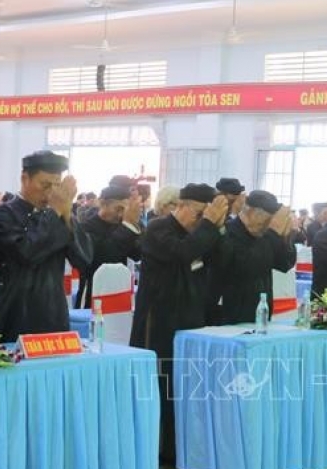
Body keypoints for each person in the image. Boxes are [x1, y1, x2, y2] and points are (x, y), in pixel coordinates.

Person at [131, 183, 227, 465]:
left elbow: (221, 261)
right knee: (160, 387)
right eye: (197, 214)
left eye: (204, 216)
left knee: (186, 387)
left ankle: (180, 448)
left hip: (191, 320)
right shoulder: (159, 229)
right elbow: (184, 254)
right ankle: (155, 450)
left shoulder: (201, 234)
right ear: (180, 206)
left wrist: (219, 228)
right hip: (158, 321)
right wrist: (208, 224)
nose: (200, 222)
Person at [0, 151, 93, 342]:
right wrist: (55, 211)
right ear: (24, 178)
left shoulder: (59, 214)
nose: (51, 192)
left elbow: (84, 259)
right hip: (13, 312)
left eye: (56, 185)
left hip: (53, 312)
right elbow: (27, 252)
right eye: (45, 185)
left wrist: (68, 216)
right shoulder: (3, 215)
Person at [210, 190, 297, 325]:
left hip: (261, 312)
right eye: (265, 221)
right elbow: (245, 266)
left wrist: (287, 236)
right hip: (231, 314)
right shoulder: (228, 232)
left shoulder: (265, 235)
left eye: (270, 221)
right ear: (249, 212)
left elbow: (284, 264)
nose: (267, 226)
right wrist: (274, 233)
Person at [75, 184, 143, 309]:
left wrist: (135, 224)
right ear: (102, 204)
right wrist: (127, 226)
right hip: (93, 291)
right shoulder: (86, 227)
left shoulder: (121, 226)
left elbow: (137, 253)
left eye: (124, 210)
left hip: (119, 290)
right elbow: (105, 254)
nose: (121, 214)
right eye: (118, 209)